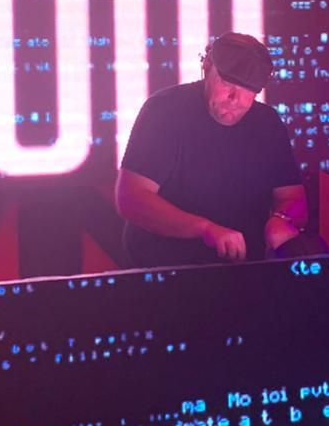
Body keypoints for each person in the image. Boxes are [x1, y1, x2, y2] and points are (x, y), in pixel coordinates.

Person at [115, 33, 315, 267]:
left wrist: (281, 219)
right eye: (227, 83)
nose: (235, 98)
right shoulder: (164, 110)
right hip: (163, 270)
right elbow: (131, 198)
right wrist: (205, 229)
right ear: (207, 67)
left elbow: (293, 198)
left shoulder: (267, 123)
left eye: (248, 90)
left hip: (243, 270)